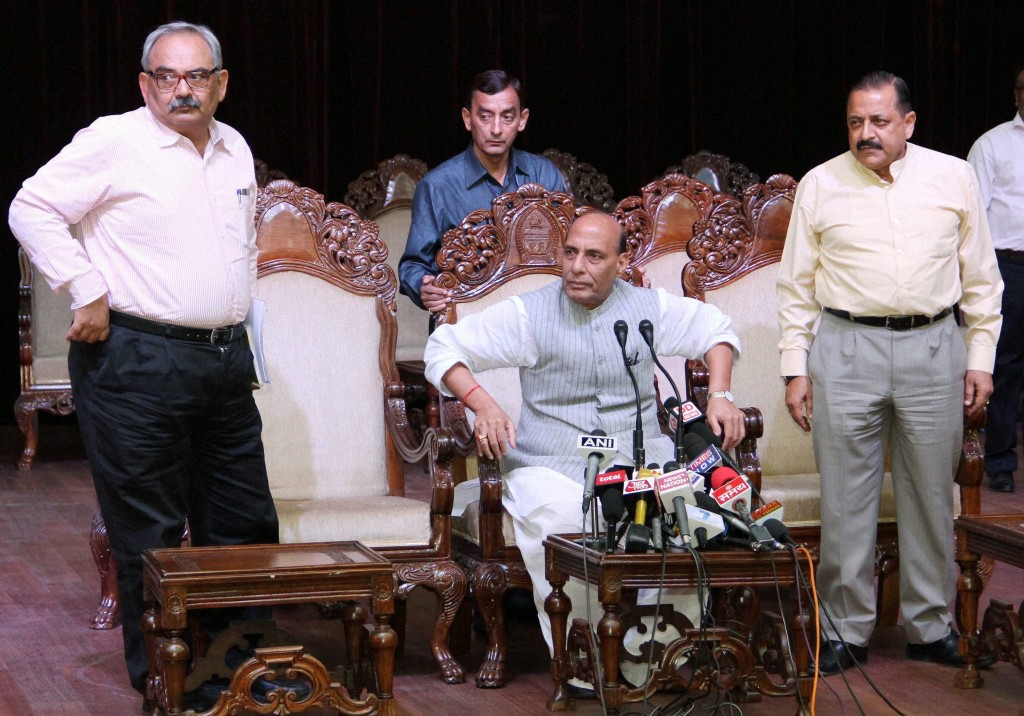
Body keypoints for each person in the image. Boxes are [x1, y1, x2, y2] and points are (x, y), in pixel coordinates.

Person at [8, 22, 279, 699]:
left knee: (244, 525)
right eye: (166, 76)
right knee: (151, 537)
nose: (180, 89)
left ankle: (243, 673)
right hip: (135, 361)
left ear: (220, 84)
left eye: (195, 77)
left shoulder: (234, 146)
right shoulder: (114, 140)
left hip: (222, 363)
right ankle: (172, 683)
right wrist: (87, 287)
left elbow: (237, 252)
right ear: (144, 83)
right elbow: (31, 206)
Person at [424, 211, 745, 661]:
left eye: (594, 256)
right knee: (564, 524)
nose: (577, 266)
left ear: (622, 261)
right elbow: (443, 347)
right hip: (549, 463)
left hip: (642, 458)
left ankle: (663, 657)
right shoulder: (531, 312)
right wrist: (484, 403)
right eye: (571, 252)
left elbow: (717, 330)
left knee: (684, 521)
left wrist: (720, 394)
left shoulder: (648, 308)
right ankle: (586, 658)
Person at [777, 71, 1003, 674]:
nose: (865, 134)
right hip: (847, 347)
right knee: (846, 497)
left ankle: (930, 626)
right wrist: (794, 369)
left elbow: (982, 279)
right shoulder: (821, 183)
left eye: (879, 122)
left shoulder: (953, 175)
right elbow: (796, 286)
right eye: (855, 122)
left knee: (931, 494)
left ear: (908, 122)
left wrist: (979, 359)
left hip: (934, 346)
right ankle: (847, 629)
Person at [398, 69, 567, 316]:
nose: (496, 129)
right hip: (467, 321)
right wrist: (426, 288)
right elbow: (412, 266)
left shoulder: (544, 175)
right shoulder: (438, 186)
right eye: (485, 117)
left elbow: (574, 248)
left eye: (507, 117)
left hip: (538, 318)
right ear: (468, 119)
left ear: (522, 119)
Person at [967, 65, 1024, 494]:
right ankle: (1000, 462)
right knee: (1004, 367)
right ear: (1016, 94)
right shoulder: (992, 145)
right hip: (1011, 266)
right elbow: (973, 220)